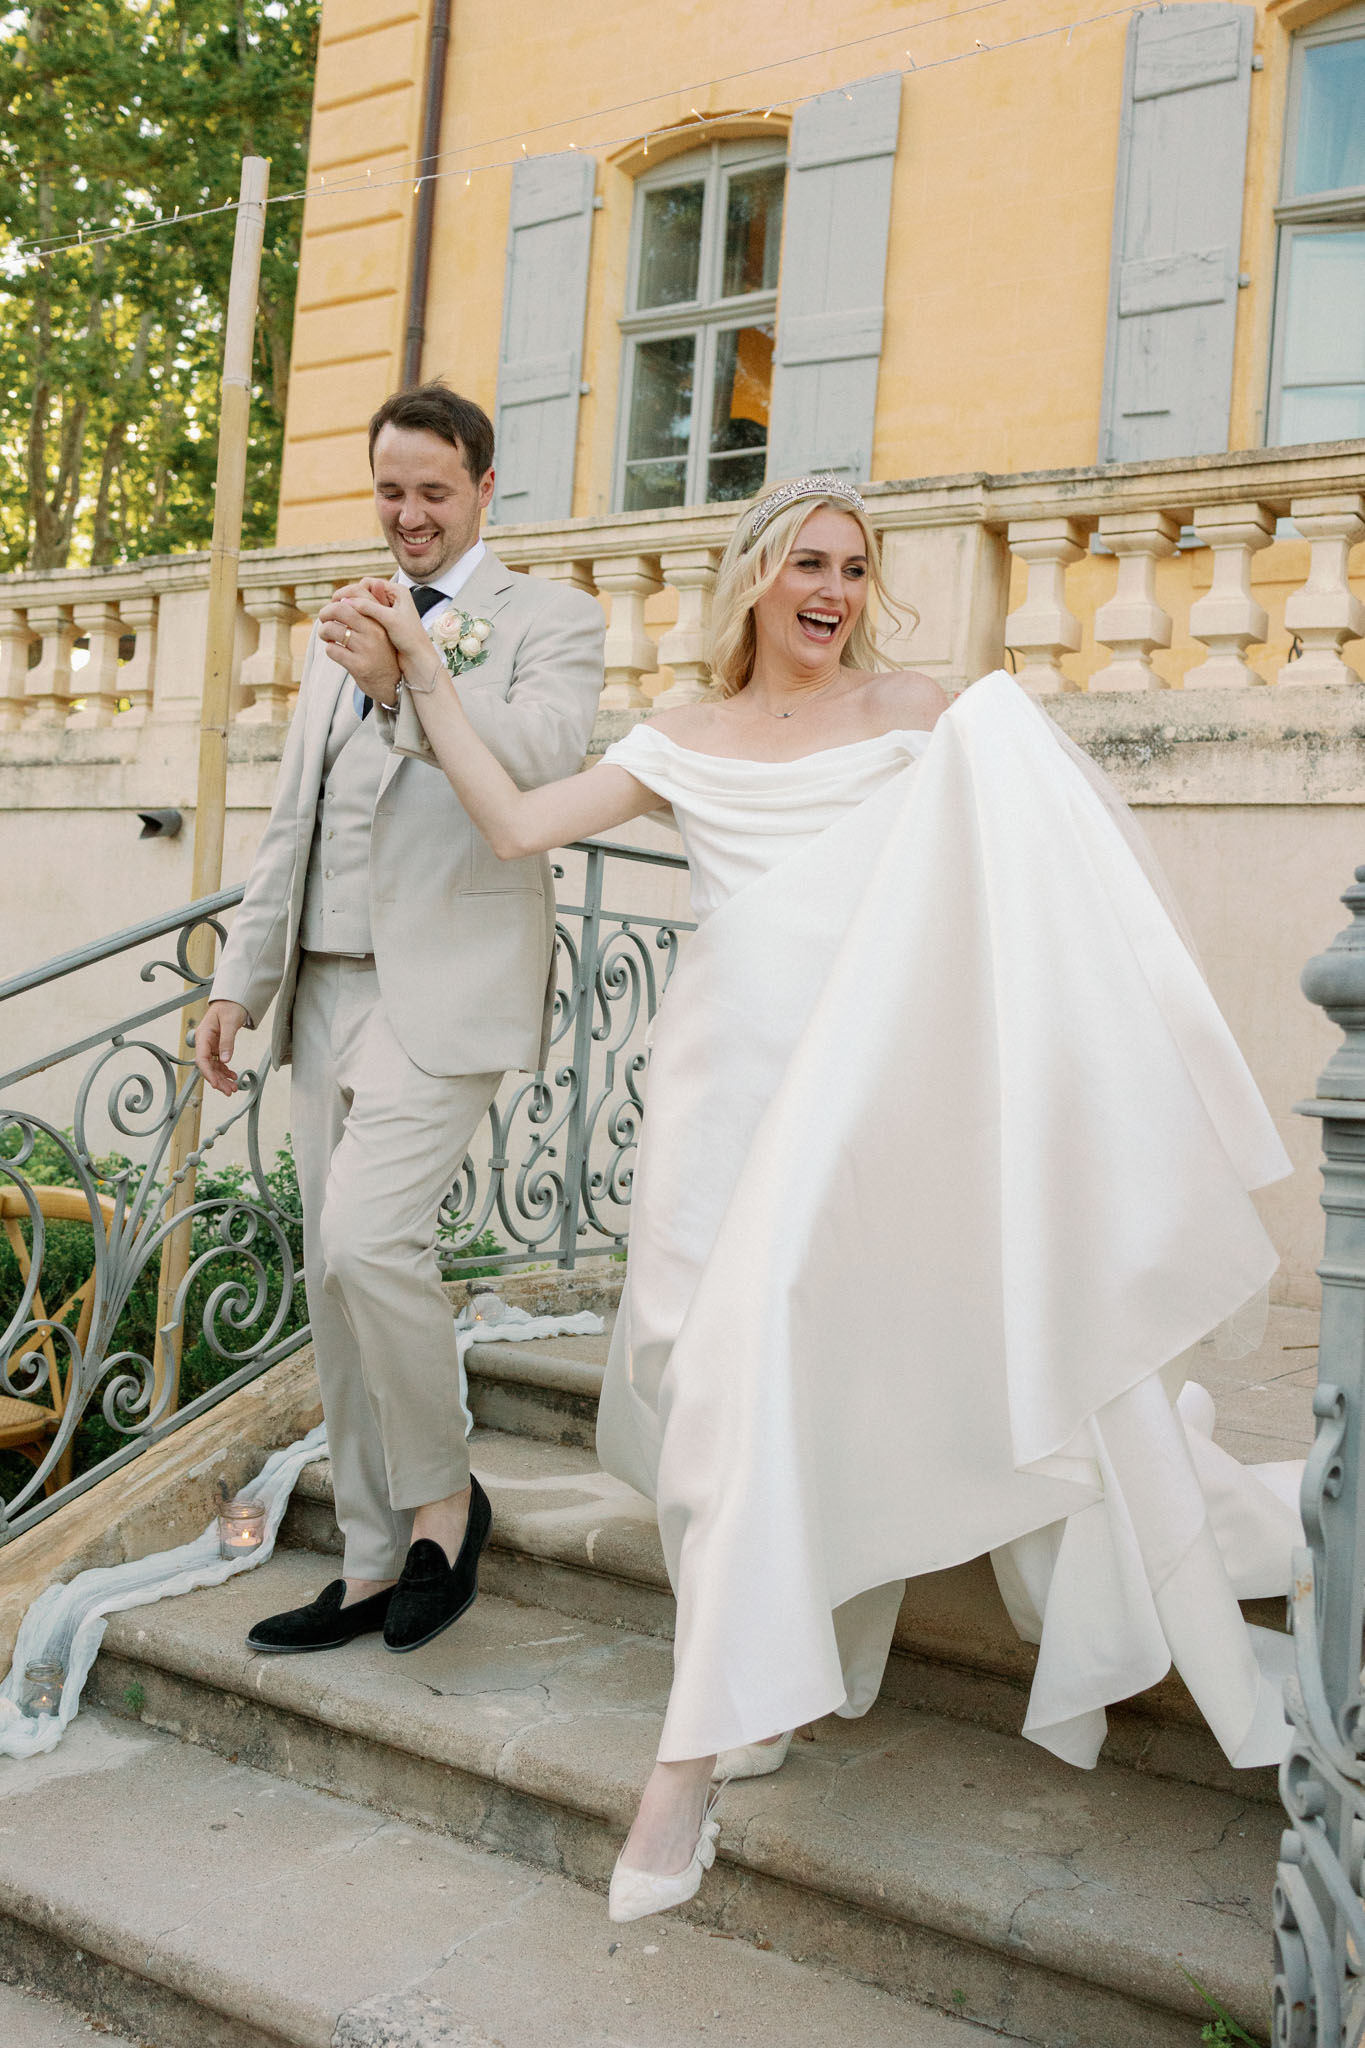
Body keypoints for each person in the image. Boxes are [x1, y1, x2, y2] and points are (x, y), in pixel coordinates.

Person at [327, 472, 1298, 1923]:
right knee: (696, 1382)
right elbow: (522, 827)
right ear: (753, 582)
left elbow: (1036, 870)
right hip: (722, 1101)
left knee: (756, 1363)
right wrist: (421, 678)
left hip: (861, 1116)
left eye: (851, 565)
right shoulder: (681, 738)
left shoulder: (926, 718)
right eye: (804, 564)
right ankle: (762, 1667)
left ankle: (691, 1765)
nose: (831, 589)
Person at [195, 382, 605, 1659]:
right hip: (322, 992)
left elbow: (543, 759)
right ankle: (374, 1564)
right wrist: (239, 980)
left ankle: (445, 1500)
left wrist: (411, 676)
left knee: (374, 1242)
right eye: (390, 490)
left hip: (448, 987)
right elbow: (292, 825)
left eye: (434, 489)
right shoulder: (348, 619)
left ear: (485, 486)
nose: (410, 513)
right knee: (331, 1281)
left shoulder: (553, 618)